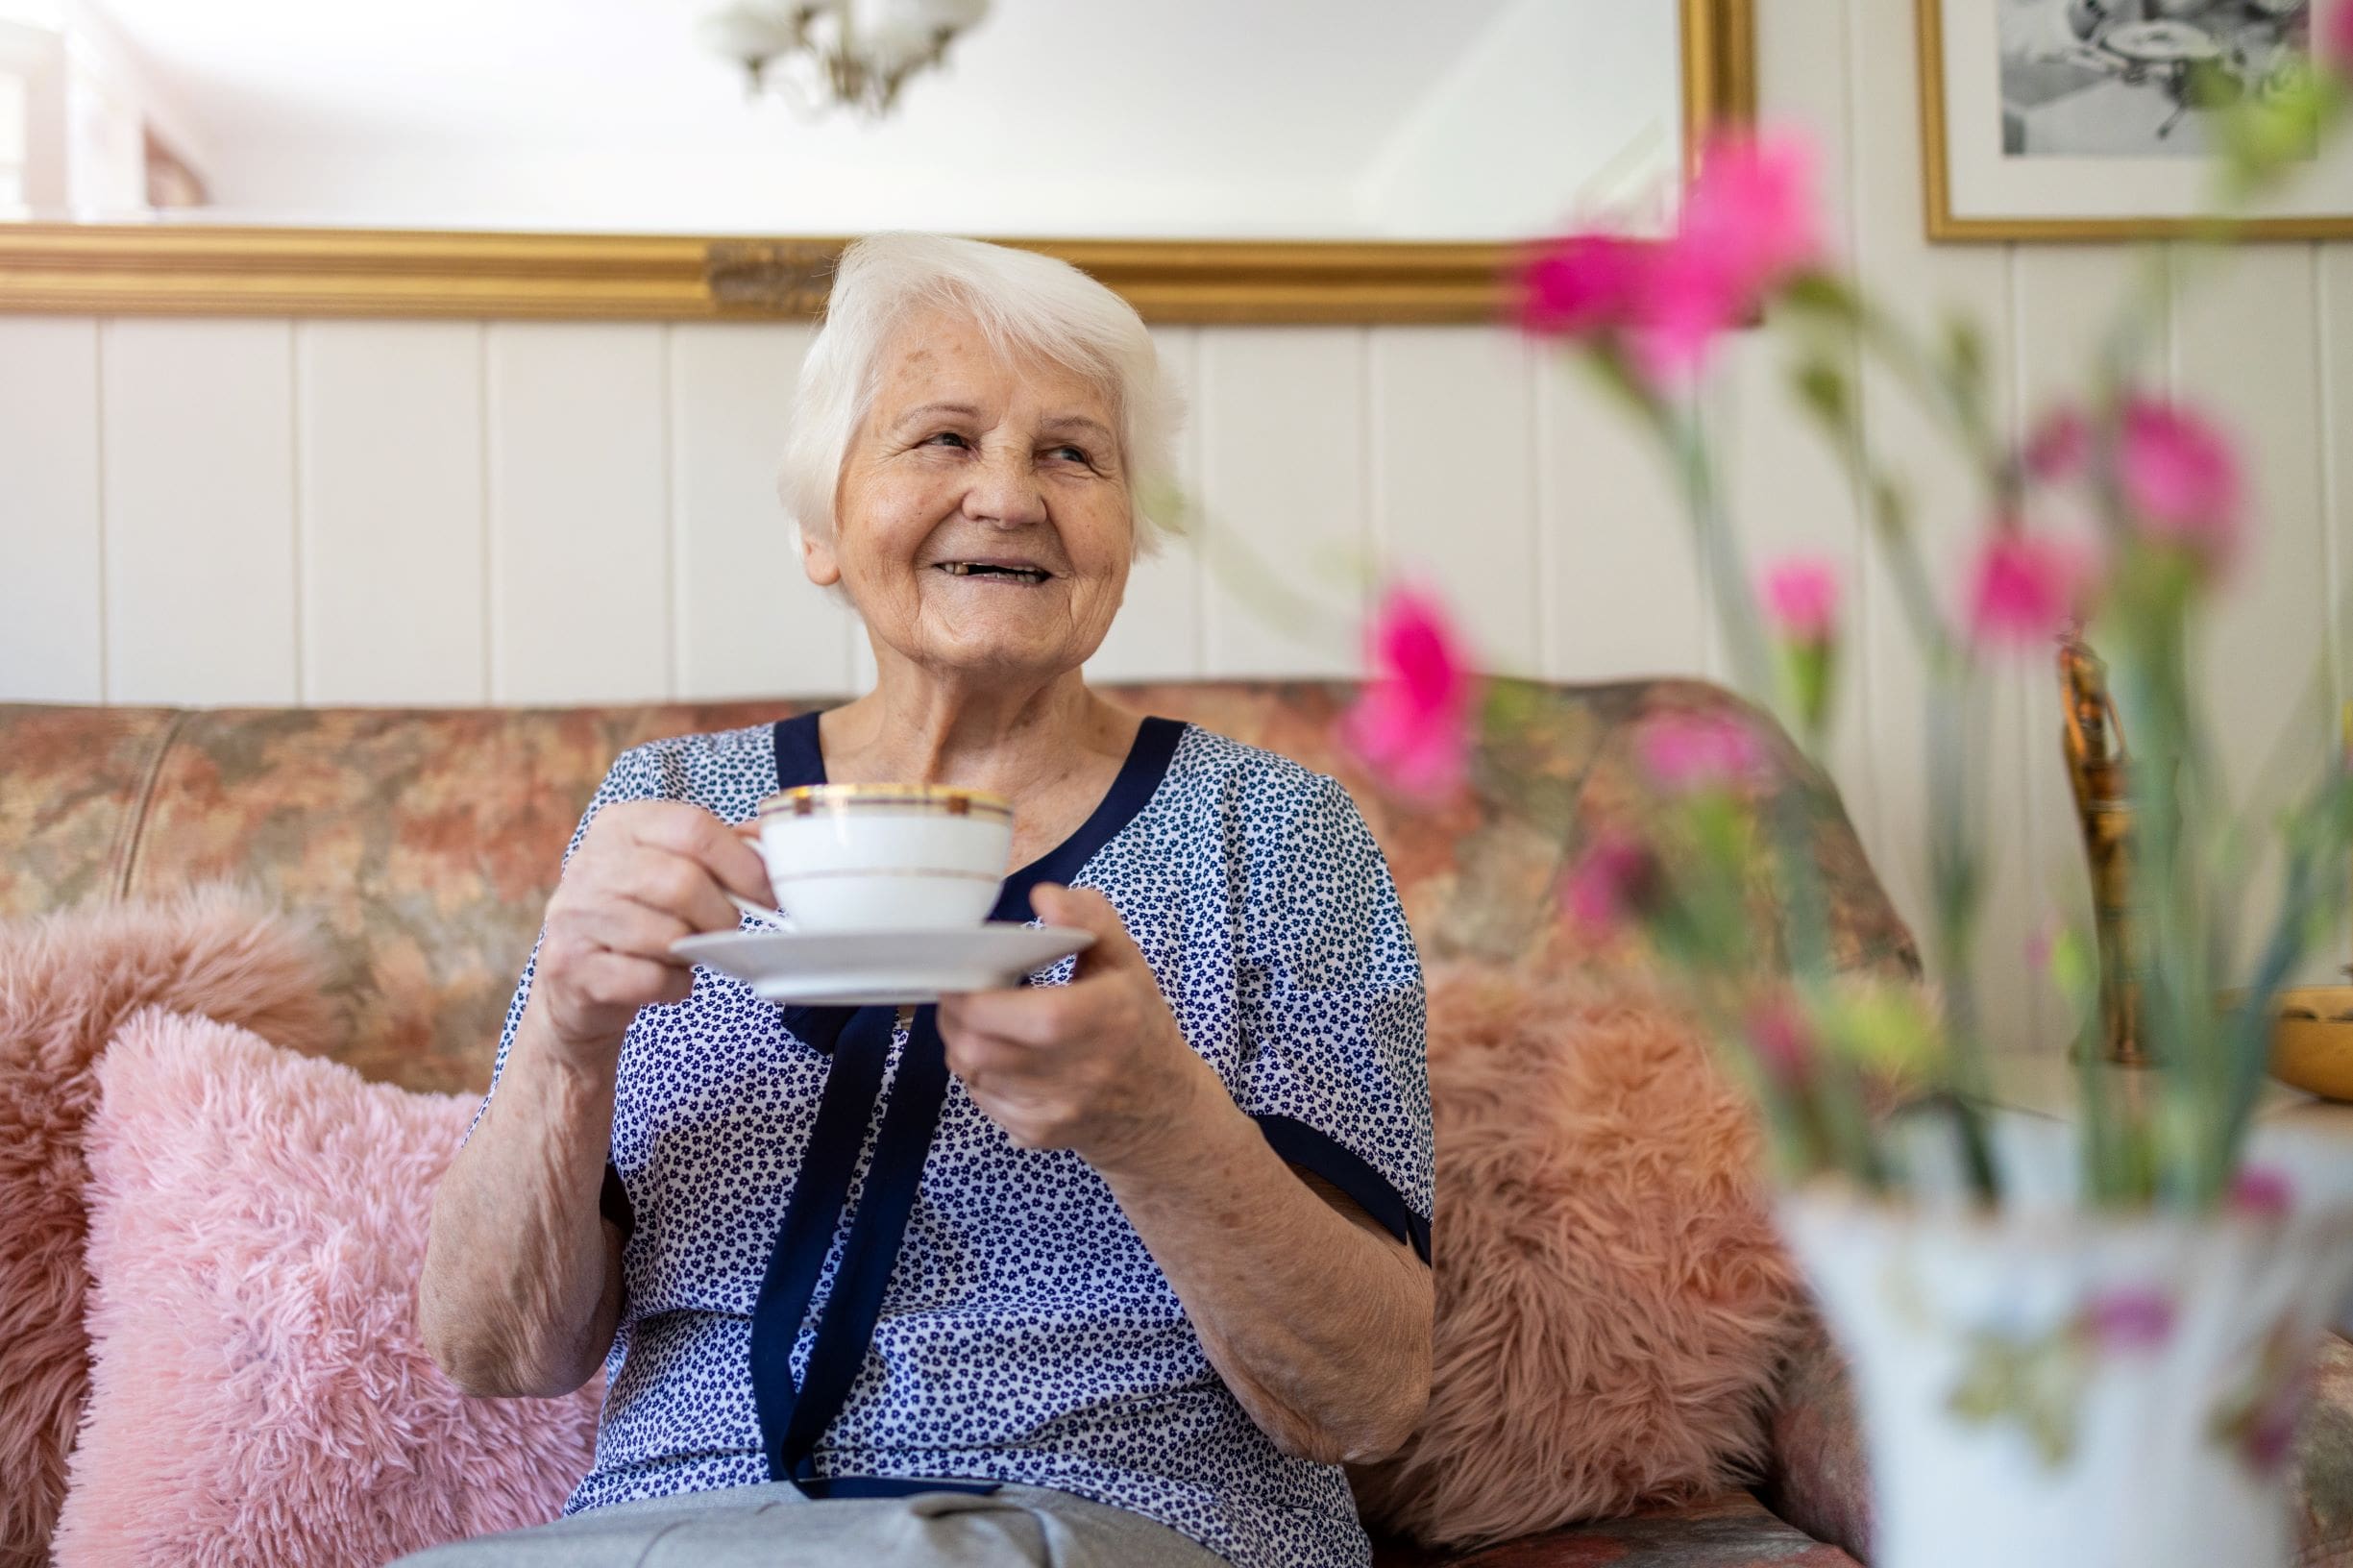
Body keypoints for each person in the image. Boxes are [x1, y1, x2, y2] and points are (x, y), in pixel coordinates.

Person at [404, 233, 1434, 1568]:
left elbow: (1365, 1398)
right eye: (941, 439)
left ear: (1127, 538)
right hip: (670, 1532)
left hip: (1119, 1522)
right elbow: (493, 1352)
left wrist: (1160, 1126)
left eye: (1071, 454)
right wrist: (562, 1039)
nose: (1006, 496)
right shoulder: (666, 808)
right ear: (821, 530)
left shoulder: (1272, 836)